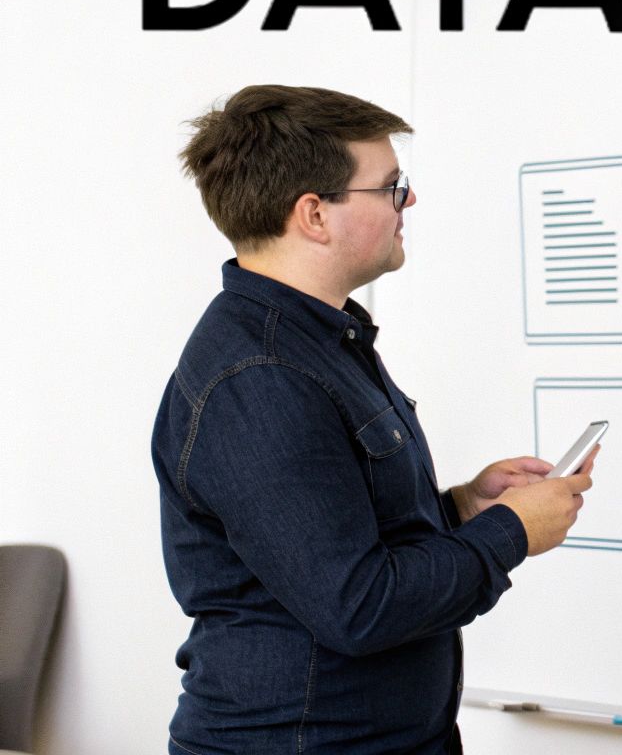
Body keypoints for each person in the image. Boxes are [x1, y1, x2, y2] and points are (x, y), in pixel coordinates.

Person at [151, 85, 596, 755]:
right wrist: (511, 532)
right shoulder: (262, 378)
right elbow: (359, 606)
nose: (407, 201)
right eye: (391, 186)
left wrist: (466, 509)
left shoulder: (323, 343)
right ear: (314, 215)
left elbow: (342, 543)